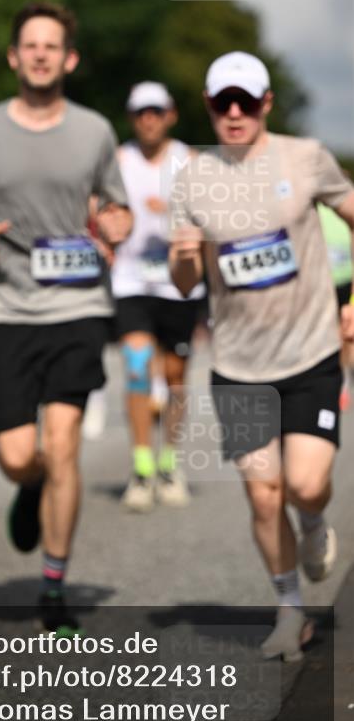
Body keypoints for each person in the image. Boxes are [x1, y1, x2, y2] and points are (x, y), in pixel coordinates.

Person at [0, 1, 132, 635]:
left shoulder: (95, 131)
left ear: (69, 58)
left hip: (78, 304)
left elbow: (118, 210)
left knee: (62, 446)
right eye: (29, 45)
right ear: (13, 56)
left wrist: (116, 223)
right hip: (5, 307)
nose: (39, 54)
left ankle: (53, 585)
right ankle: (29, 487)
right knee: (17, 455)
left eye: (51, 46)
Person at [169, 50, 354, 662]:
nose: (235, 112)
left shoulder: (305, 159)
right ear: (209, 105)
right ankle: (290, 612)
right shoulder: (193, 176)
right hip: (239, 367)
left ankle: (314, 522)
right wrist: (188, 254)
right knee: (262, 492)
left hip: (309, 354)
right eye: (223, 101)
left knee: (304, 484)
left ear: (266, 103)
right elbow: (182, 281)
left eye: (246, 101)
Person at [112, 81, 206, 512]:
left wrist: (171, 215)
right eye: (139, 112)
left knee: (174, 378)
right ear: (132, 117)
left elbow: (210, 217)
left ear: (170, 114)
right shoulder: (117, 160)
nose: (147, 119)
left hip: (179, 285)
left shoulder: (189, 161)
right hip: (132, 281)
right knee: (135, 366)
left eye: (155, 111)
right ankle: (141, 466)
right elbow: (98, 209)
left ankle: (169, 462)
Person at [318, 202, 353, 410]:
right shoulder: (313, 203)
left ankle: (343, 380)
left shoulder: (344, 206)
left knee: (344, 336)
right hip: (321, 284)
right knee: (326, 334)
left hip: (345, 281)